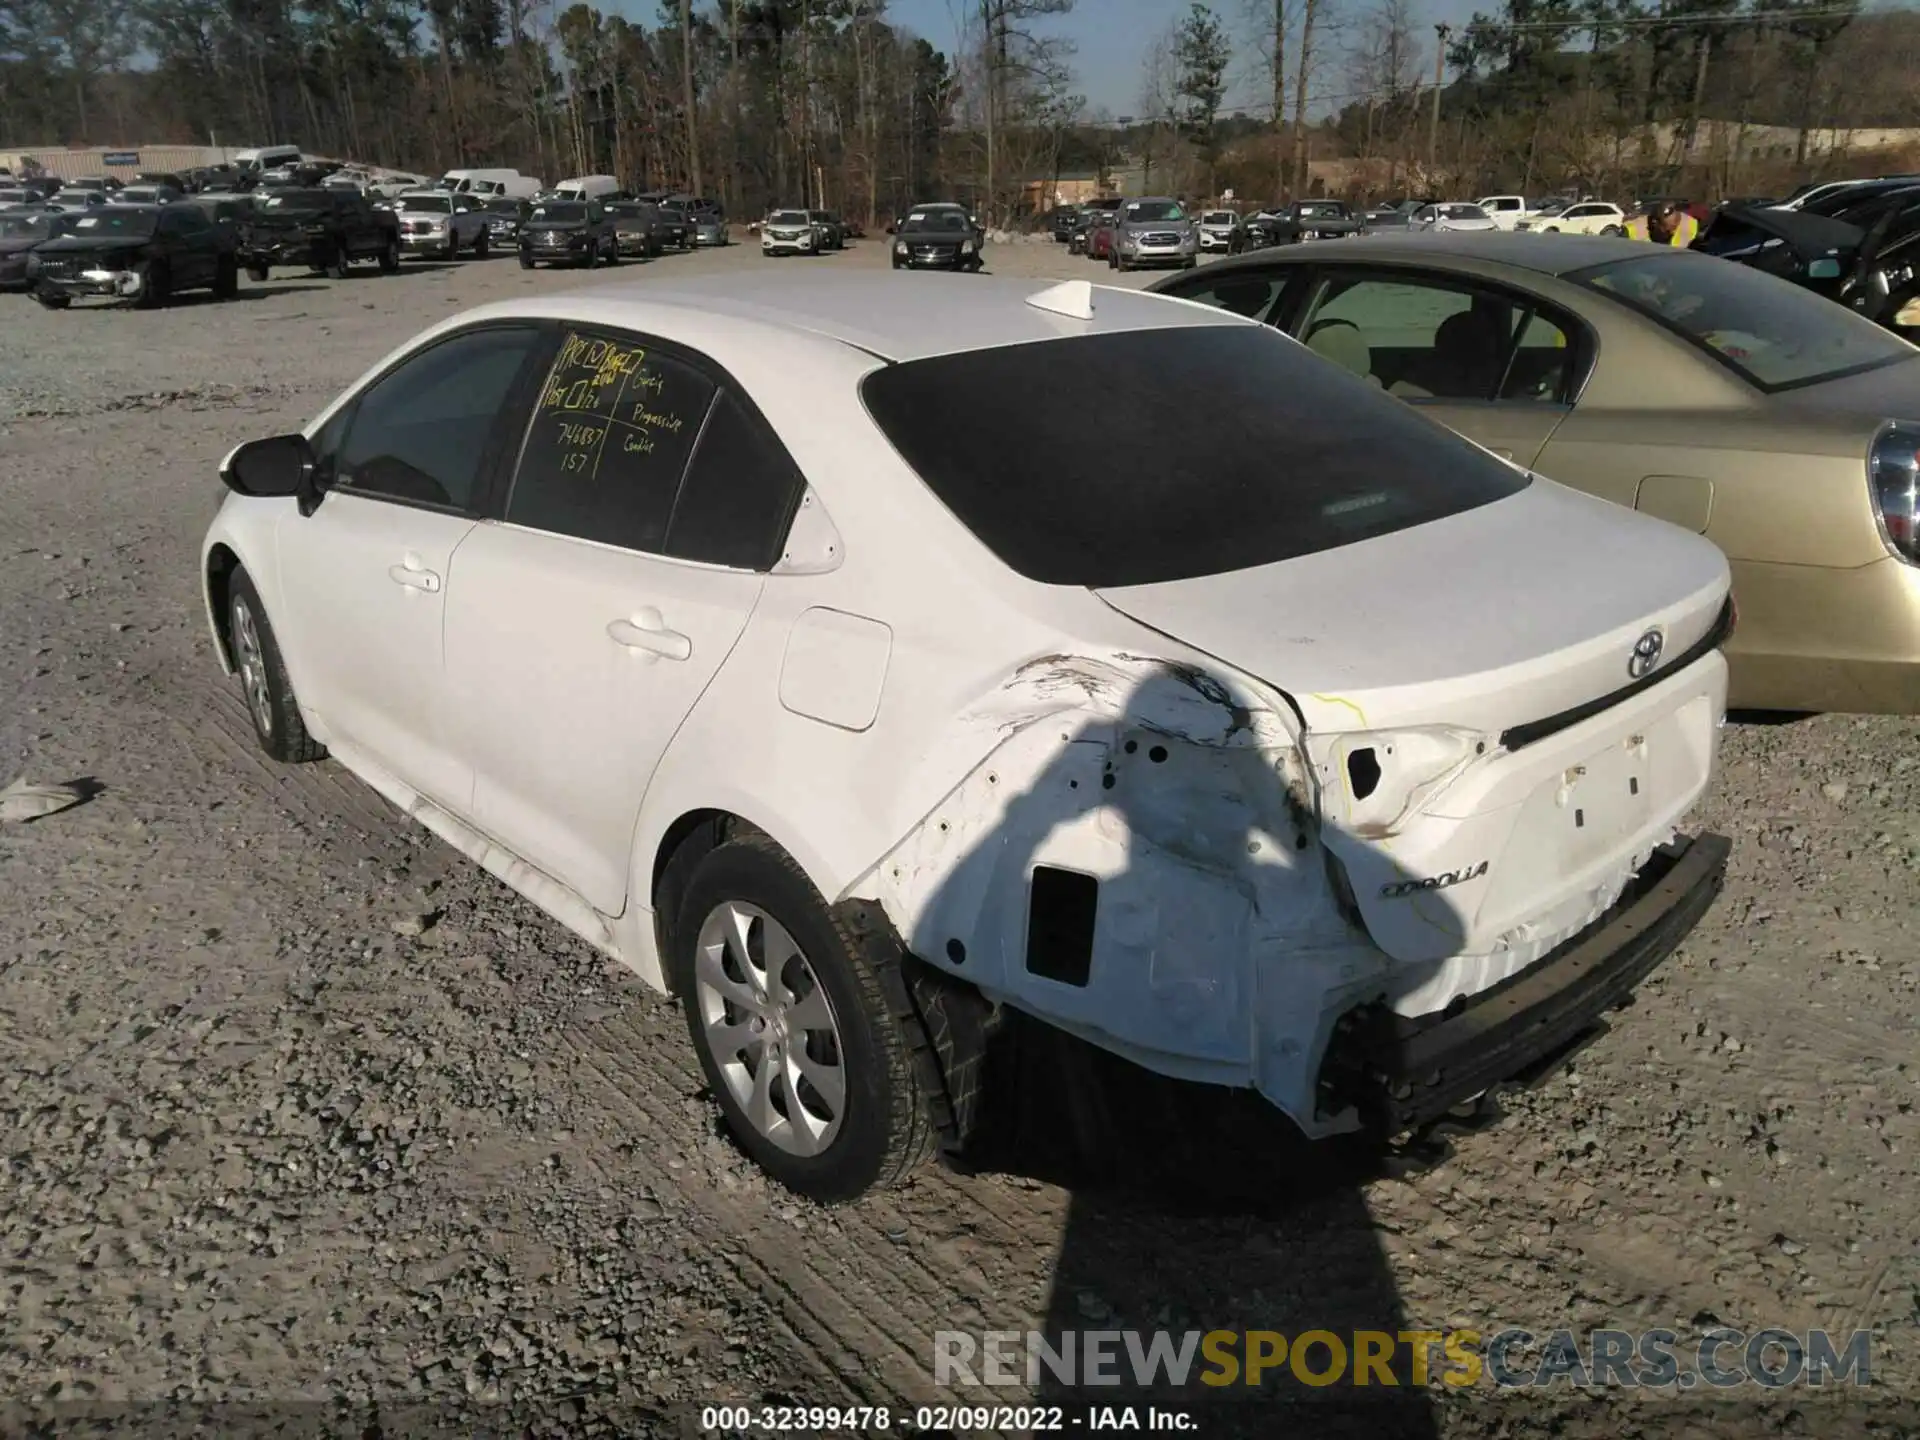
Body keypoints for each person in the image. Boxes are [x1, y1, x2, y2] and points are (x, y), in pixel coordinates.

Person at [1625, 199, 1700, 247]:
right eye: (1667, 229)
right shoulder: (1632, 230)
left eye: (1675, 227)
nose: (1673, 232)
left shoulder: (1690, 225)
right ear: (1655, 223)